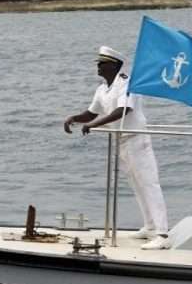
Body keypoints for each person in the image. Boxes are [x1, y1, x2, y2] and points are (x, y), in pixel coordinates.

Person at [63, 46, 169, 249]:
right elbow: (91, 113)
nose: (98, 67)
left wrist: (95, 124)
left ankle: (163, 234)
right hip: (121, 141)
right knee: (136, 186)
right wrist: (75, 118)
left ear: (113, 66)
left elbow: (124, 110)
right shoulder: (102, 89)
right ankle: (150, 225)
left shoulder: (127, 84)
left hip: (137, 139)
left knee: (149, 184)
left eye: (102, 63)